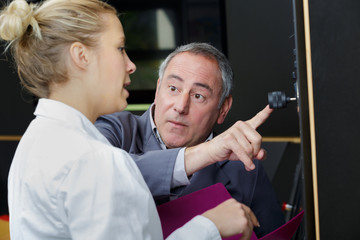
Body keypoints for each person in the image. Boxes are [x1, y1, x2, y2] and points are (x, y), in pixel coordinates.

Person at [1, 0, 259, 239]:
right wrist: (211, 226)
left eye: (199, 95)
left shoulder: (36, 140)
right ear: (81, 56)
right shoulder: (96, 160)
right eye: (120, 48)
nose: (131, 65)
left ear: (223, 108)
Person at [95, 42, 285, 237]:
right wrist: (207, 152)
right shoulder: (113, 129)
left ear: (224, 109)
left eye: (198, 96)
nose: (180, 106)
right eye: (173, 88)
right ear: (158, 89)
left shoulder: (244, 166)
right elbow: (103, 176)